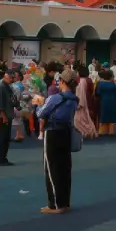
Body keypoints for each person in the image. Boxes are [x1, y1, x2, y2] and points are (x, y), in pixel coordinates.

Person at [37, 68, 79, 214]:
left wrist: (39, 104)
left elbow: (41, 113)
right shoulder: (74, 99)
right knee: (65, 167)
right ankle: (65, 202)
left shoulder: (55, 98)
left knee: (52, 168)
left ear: (62, 81)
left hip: (52, 133)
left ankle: (55, 204)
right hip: (66, 132)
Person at [0, 68, 17, 166]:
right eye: (11, 78)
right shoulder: (1, 87)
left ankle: (0, 158)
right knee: (2, 138)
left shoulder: (6, 86)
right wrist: (4, 116)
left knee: (5, 138)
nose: (12, 80)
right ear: (7, 76)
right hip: (3, 116)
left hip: (7, 114)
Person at [75, 67, 98, 138]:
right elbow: (92, 90)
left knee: (81, 118)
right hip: (89, 99)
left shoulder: (80, 80)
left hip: (82, 100)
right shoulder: (89, 80)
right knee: (88, 117)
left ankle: (86, 131)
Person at [96, 69, 116, 135]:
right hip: (112, 101)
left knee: (103, 114)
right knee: (111, 115)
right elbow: (115, 94)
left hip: (104, 100)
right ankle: (111, 131)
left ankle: (102, 131)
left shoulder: (100, 84)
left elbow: (98, 93)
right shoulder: (113, 84)